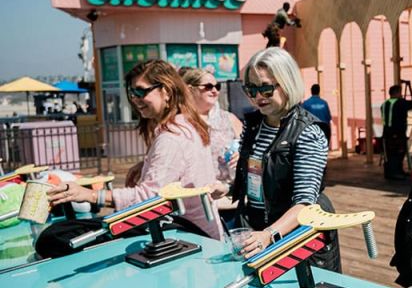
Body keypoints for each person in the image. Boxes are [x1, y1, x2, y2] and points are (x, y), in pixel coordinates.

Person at [45, 60, 224, 249]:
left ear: (166, 91)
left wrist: (90, 195)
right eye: (131, 93)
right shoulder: (187, 124)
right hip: (201, 230)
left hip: (186, 232)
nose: (135, 99)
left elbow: (150, 199)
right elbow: (179, 168)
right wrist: (145, 165)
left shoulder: (172, 137)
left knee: (54, 236)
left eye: (141, 91)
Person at [229, 47, 340, 270]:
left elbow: (305, 203)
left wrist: (268, 234)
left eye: (266, 88)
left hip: (297, 237)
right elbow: (256, 178)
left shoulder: (308, 132)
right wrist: (226, 188)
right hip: (260, 230)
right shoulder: (253, 125)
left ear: (287, 83)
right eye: (251, 89)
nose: (258, 97)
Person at [179, 67, 243, 185]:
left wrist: (241, 155)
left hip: (227, 191)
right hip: (193, 192)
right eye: (208, 86)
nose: (215, 91)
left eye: (217, 86)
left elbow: (250, 150)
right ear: (190, 89)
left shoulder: (229, 119)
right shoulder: (179, 122)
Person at [381, 83, 412, 180]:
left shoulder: (384, 104)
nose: (401, 94)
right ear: (397, 93)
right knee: (398, 153)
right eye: (400, 92)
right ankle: (395, 173)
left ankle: (391, 172)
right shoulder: (399, 103)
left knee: (389, 154)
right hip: (397, 133)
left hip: (386, 134)